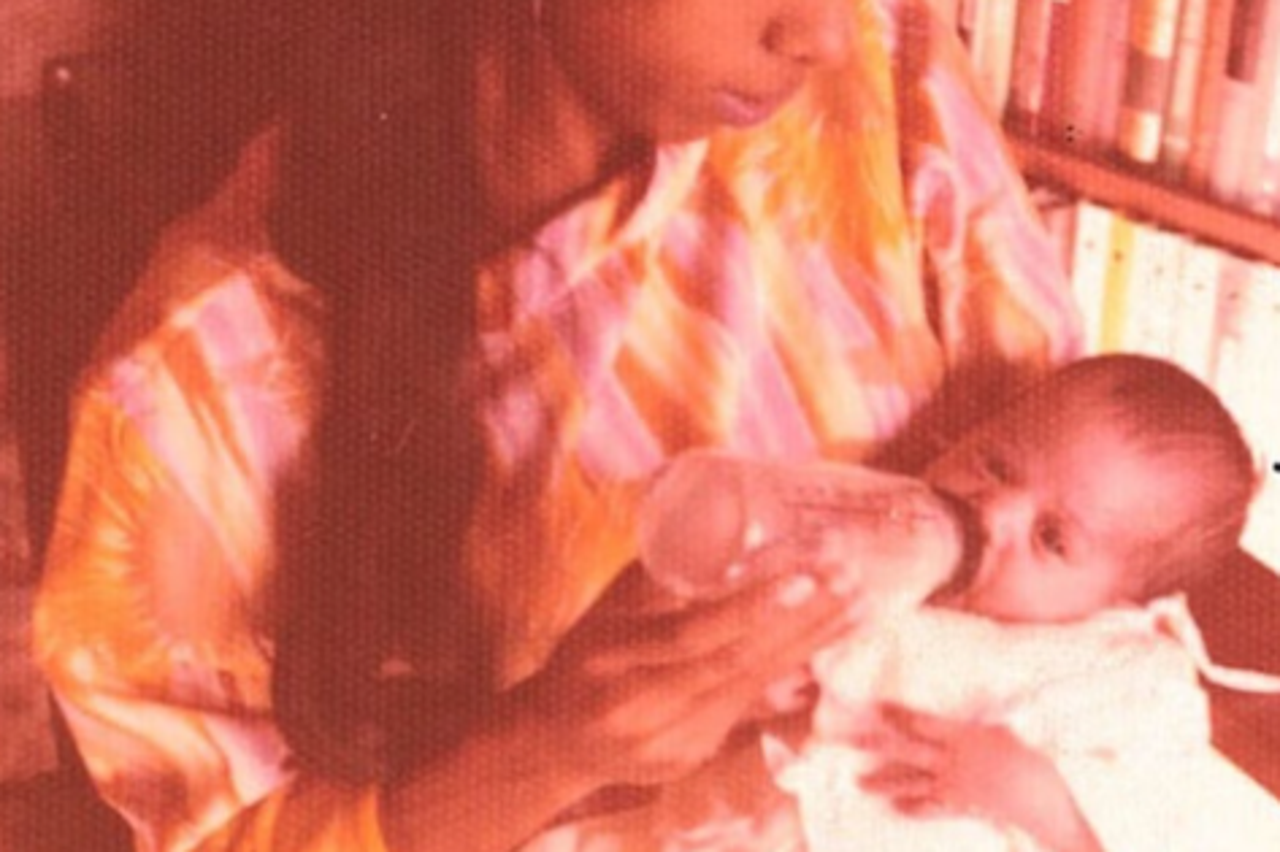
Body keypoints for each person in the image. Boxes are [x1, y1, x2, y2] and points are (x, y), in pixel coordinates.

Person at [32, 1, 1080, 850]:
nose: (817, 33)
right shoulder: (196, 383)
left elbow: (1094, 514)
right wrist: (547, 749)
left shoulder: (881, 76)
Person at [549, 354, 1280, 851]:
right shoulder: (888, 552)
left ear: (1128, 598)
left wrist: (1033, 792)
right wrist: (759, 686)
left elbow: (1151, 821)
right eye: (994, 464)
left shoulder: (1125, 671)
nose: (994, 515)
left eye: (1053, 538)